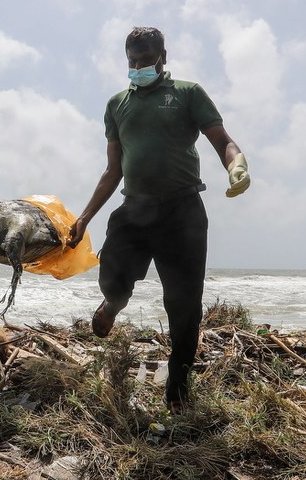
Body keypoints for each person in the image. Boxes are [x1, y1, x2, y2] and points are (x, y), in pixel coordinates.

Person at [68, 26, 250, 413]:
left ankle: (178, 388)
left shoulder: (187, 93)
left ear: (163, 57)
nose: (138, 67)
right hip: (134, 210)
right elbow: (113, 170)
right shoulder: (117, 104)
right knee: (112, 278)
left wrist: (237, 165)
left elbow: (222, 140)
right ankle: (112, 305)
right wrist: (84, 218)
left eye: (146, 60)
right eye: (132, 61)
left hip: (182, 213)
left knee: (184, 306)